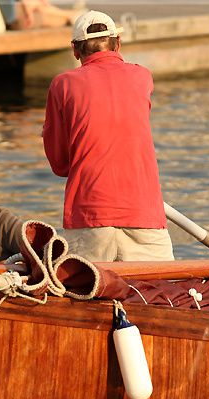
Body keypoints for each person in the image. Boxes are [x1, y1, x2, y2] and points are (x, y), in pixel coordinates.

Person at [42, 10, 174, 262]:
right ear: (118, 44)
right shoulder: (142, 76)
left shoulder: (62, 84)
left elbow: (59, 164)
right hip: (144, 212)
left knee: (84, 297)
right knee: (164, 294)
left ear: (75, 50)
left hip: (90, 214)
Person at [0, 0, 80, 30]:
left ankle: (71, 15)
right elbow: (10, 15)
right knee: (44, 12)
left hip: (22, 13)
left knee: (41, 8)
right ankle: (71, 15)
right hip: (21, 17)